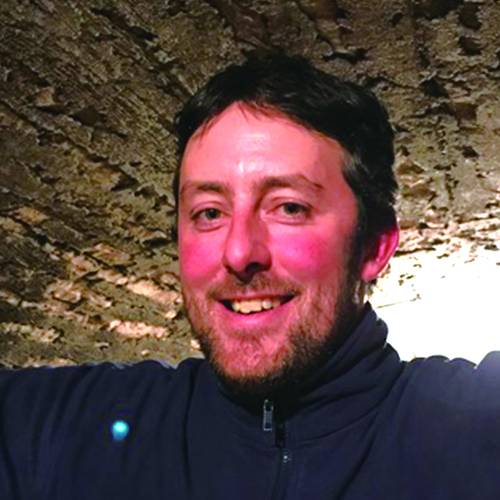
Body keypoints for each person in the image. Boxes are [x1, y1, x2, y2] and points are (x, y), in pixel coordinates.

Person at [1, 54, 499, 500]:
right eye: (209, 212)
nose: (239, 252)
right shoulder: (63, 429)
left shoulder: (476, 432)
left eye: (289, 207)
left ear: (374, 246)